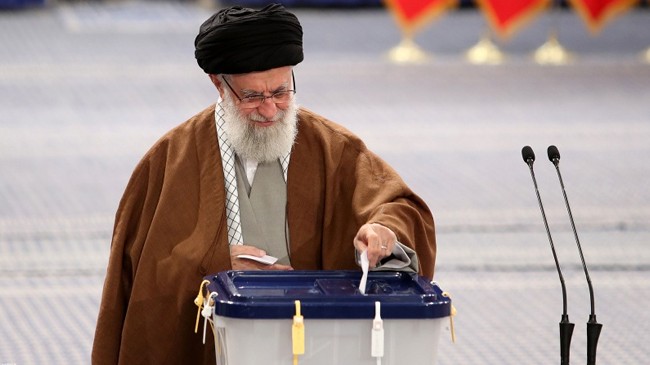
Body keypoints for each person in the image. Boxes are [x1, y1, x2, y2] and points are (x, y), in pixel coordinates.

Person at [92, 4, 436, 364]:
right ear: (218, 84)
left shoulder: (333, 147)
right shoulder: (167, 161)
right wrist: (215, 262)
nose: (270, 109)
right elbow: (142, 277)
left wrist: (384, 229)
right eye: (252, 96)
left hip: (316, 346)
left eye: (281, 92)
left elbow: (398, 205)